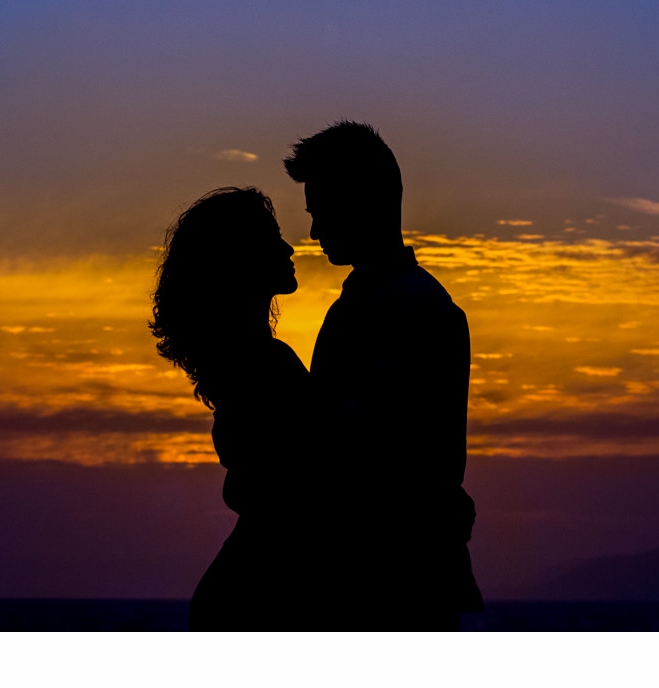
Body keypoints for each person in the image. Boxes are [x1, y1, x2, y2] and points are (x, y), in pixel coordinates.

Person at [284, 120, 483, 630]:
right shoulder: (367, 307)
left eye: (321, 211)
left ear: (363, 202)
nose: (313, 232)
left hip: (393, 588)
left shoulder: (414, 311)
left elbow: (376, 455)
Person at [149, 187, 314, 630]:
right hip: (262, 596)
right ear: (241, 260)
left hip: (249, 589)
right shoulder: (263, 366)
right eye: (273, 238)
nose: (289, 246)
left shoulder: (249, 363)